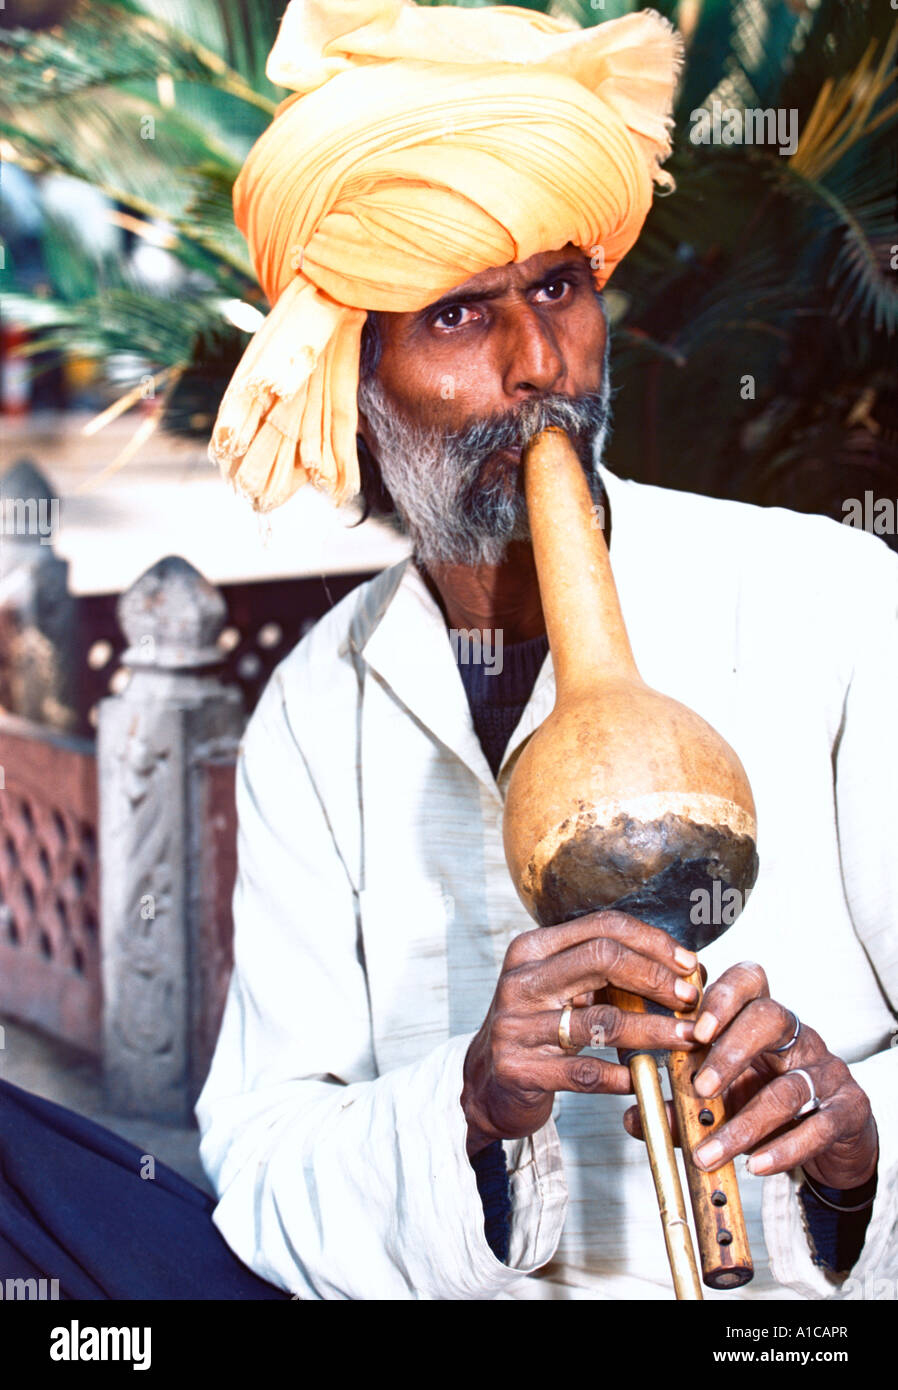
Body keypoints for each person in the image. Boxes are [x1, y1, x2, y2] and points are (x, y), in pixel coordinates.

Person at [0, 0, 894, 1304]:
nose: (540, 364)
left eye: (556, 287)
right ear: (356, 374)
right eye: (461, 316)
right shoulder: (315, 710)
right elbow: (267, 1166)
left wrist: (858, 1140)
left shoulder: (832, 595)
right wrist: (468, 1106)